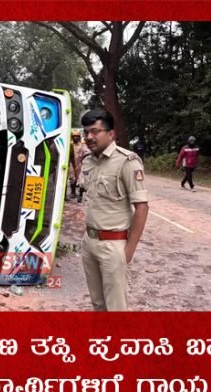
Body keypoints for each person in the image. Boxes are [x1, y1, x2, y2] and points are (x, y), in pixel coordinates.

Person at [79, 109, 149, 311]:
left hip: (113, 245)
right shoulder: (88, 161)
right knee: (98, 303)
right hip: (89, 242)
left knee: (116, 307)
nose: (89, 137)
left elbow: (142, 207)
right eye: (86, 132)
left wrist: (128, 251)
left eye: (95, 131)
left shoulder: (127, 161)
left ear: (111, 134)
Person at [68, 129, 85, 200]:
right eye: (74, 136)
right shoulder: (70, 145)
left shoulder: (82, 145)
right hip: (72, 164)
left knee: (81, 180)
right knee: (72, 178)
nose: (76, 138)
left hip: (80, 164)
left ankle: (80, 195)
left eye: (77, 136)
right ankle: (73, 192)